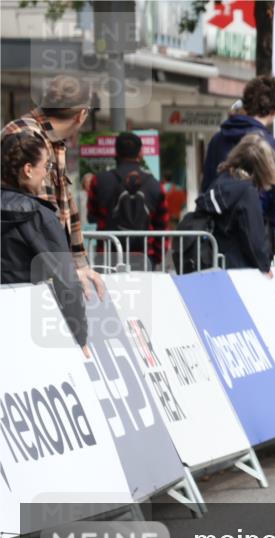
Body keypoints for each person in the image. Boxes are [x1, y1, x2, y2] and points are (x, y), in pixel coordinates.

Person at [2, 75, 105, 301]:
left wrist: (79, 264)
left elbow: (65, 204)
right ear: (82, 114)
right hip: (21, 270)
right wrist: (65, 268)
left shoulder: (50, 139)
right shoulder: (28, 137)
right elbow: (36, 216)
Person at [1, 133, 89, 353]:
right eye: (46, 165)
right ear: (28, 169)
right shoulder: (39, 216)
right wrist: (80, 337)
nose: (47, 174)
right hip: (23, 326)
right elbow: (66, 280)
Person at [201, 74, 275, 251]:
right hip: (255, 238)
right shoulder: (272, 146)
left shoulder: (217, 140)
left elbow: (207, 187)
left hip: (218, 237)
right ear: (274, 111)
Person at [197, 133, 275, 273]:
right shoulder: (247, 192)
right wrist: (265, 266)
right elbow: (254, 238)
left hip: (215, 263)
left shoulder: (222, 181)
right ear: (264, 167)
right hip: (239, 268)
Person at [87, 132, 168, 270]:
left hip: (107, 255)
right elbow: (162, 224)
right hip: (144, 256)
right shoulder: (155, 185)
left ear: (116, 152)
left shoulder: (99, 181)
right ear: (141, 154)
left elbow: (91, 216)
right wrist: (157, 257)